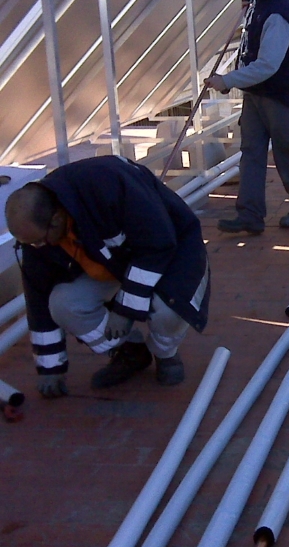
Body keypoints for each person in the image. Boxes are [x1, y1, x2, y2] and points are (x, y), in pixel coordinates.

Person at [4, 156, 211, 398]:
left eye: (39, 241)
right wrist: (51, 367)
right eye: (30, 243)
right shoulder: (37, 234)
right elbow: (37, 298)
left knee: (170, 309)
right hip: (114, 263)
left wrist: (125, 310)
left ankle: (166, 354)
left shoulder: (109, 183)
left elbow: (158, 245)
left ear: (57, 220)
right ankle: (130, 350)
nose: (37, 247)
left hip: (172, 253)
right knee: (62, 304)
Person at [205, 0, 289, 235]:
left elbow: (267, 65)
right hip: (255, 96)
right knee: (250, 153)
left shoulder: (277, 13)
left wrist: (227, 81)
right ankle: (250, 215)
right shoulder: (258, 4)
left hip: (277, 96)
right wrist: (247, 9)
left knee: (285, 152)